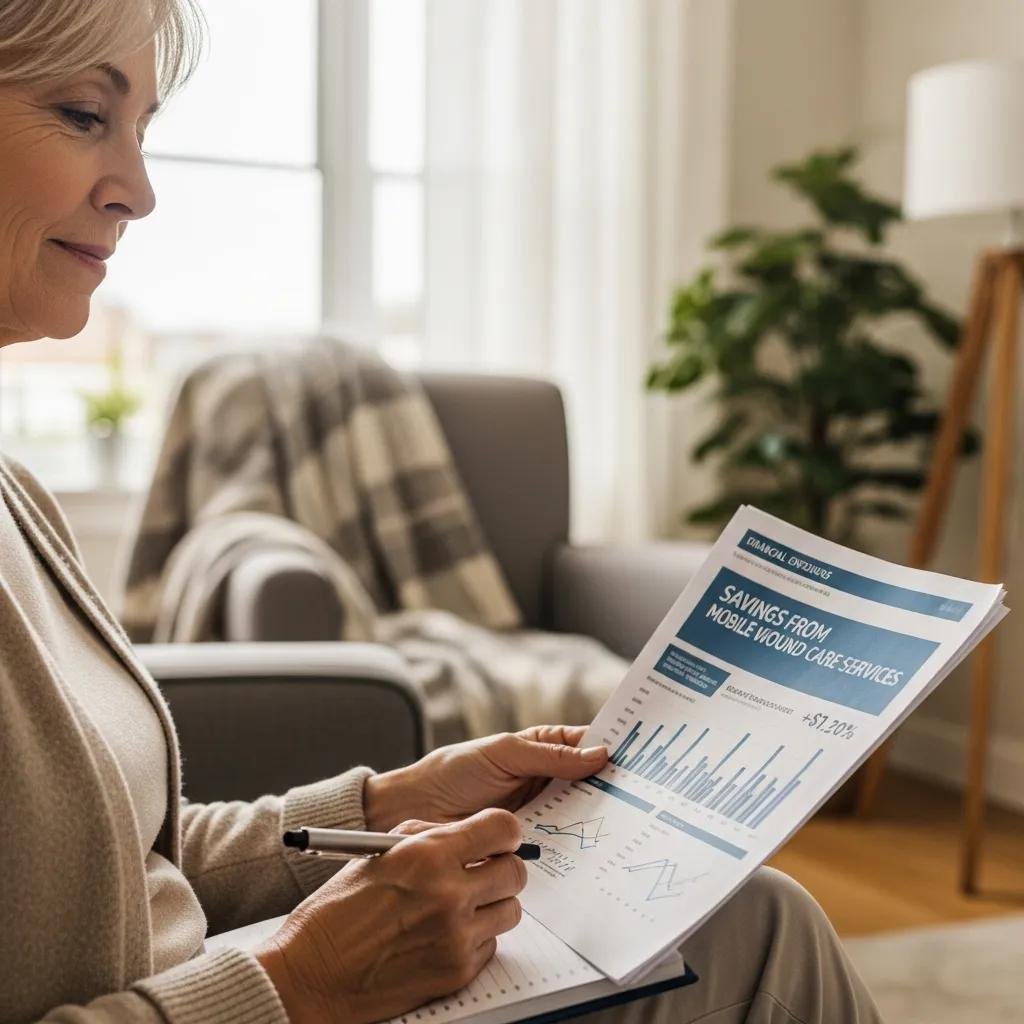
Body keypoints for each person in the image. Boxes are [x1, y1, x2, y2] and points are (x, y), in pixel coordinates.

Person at [0, 2, 884, 1021]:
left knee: (752, 918)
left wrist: (392, 803)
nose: (139, 193)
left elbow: (130, 863)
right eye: (80, 114)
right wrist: (296, 981)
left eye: (142, 131)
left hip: (201, 982)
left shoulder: (20, 498)